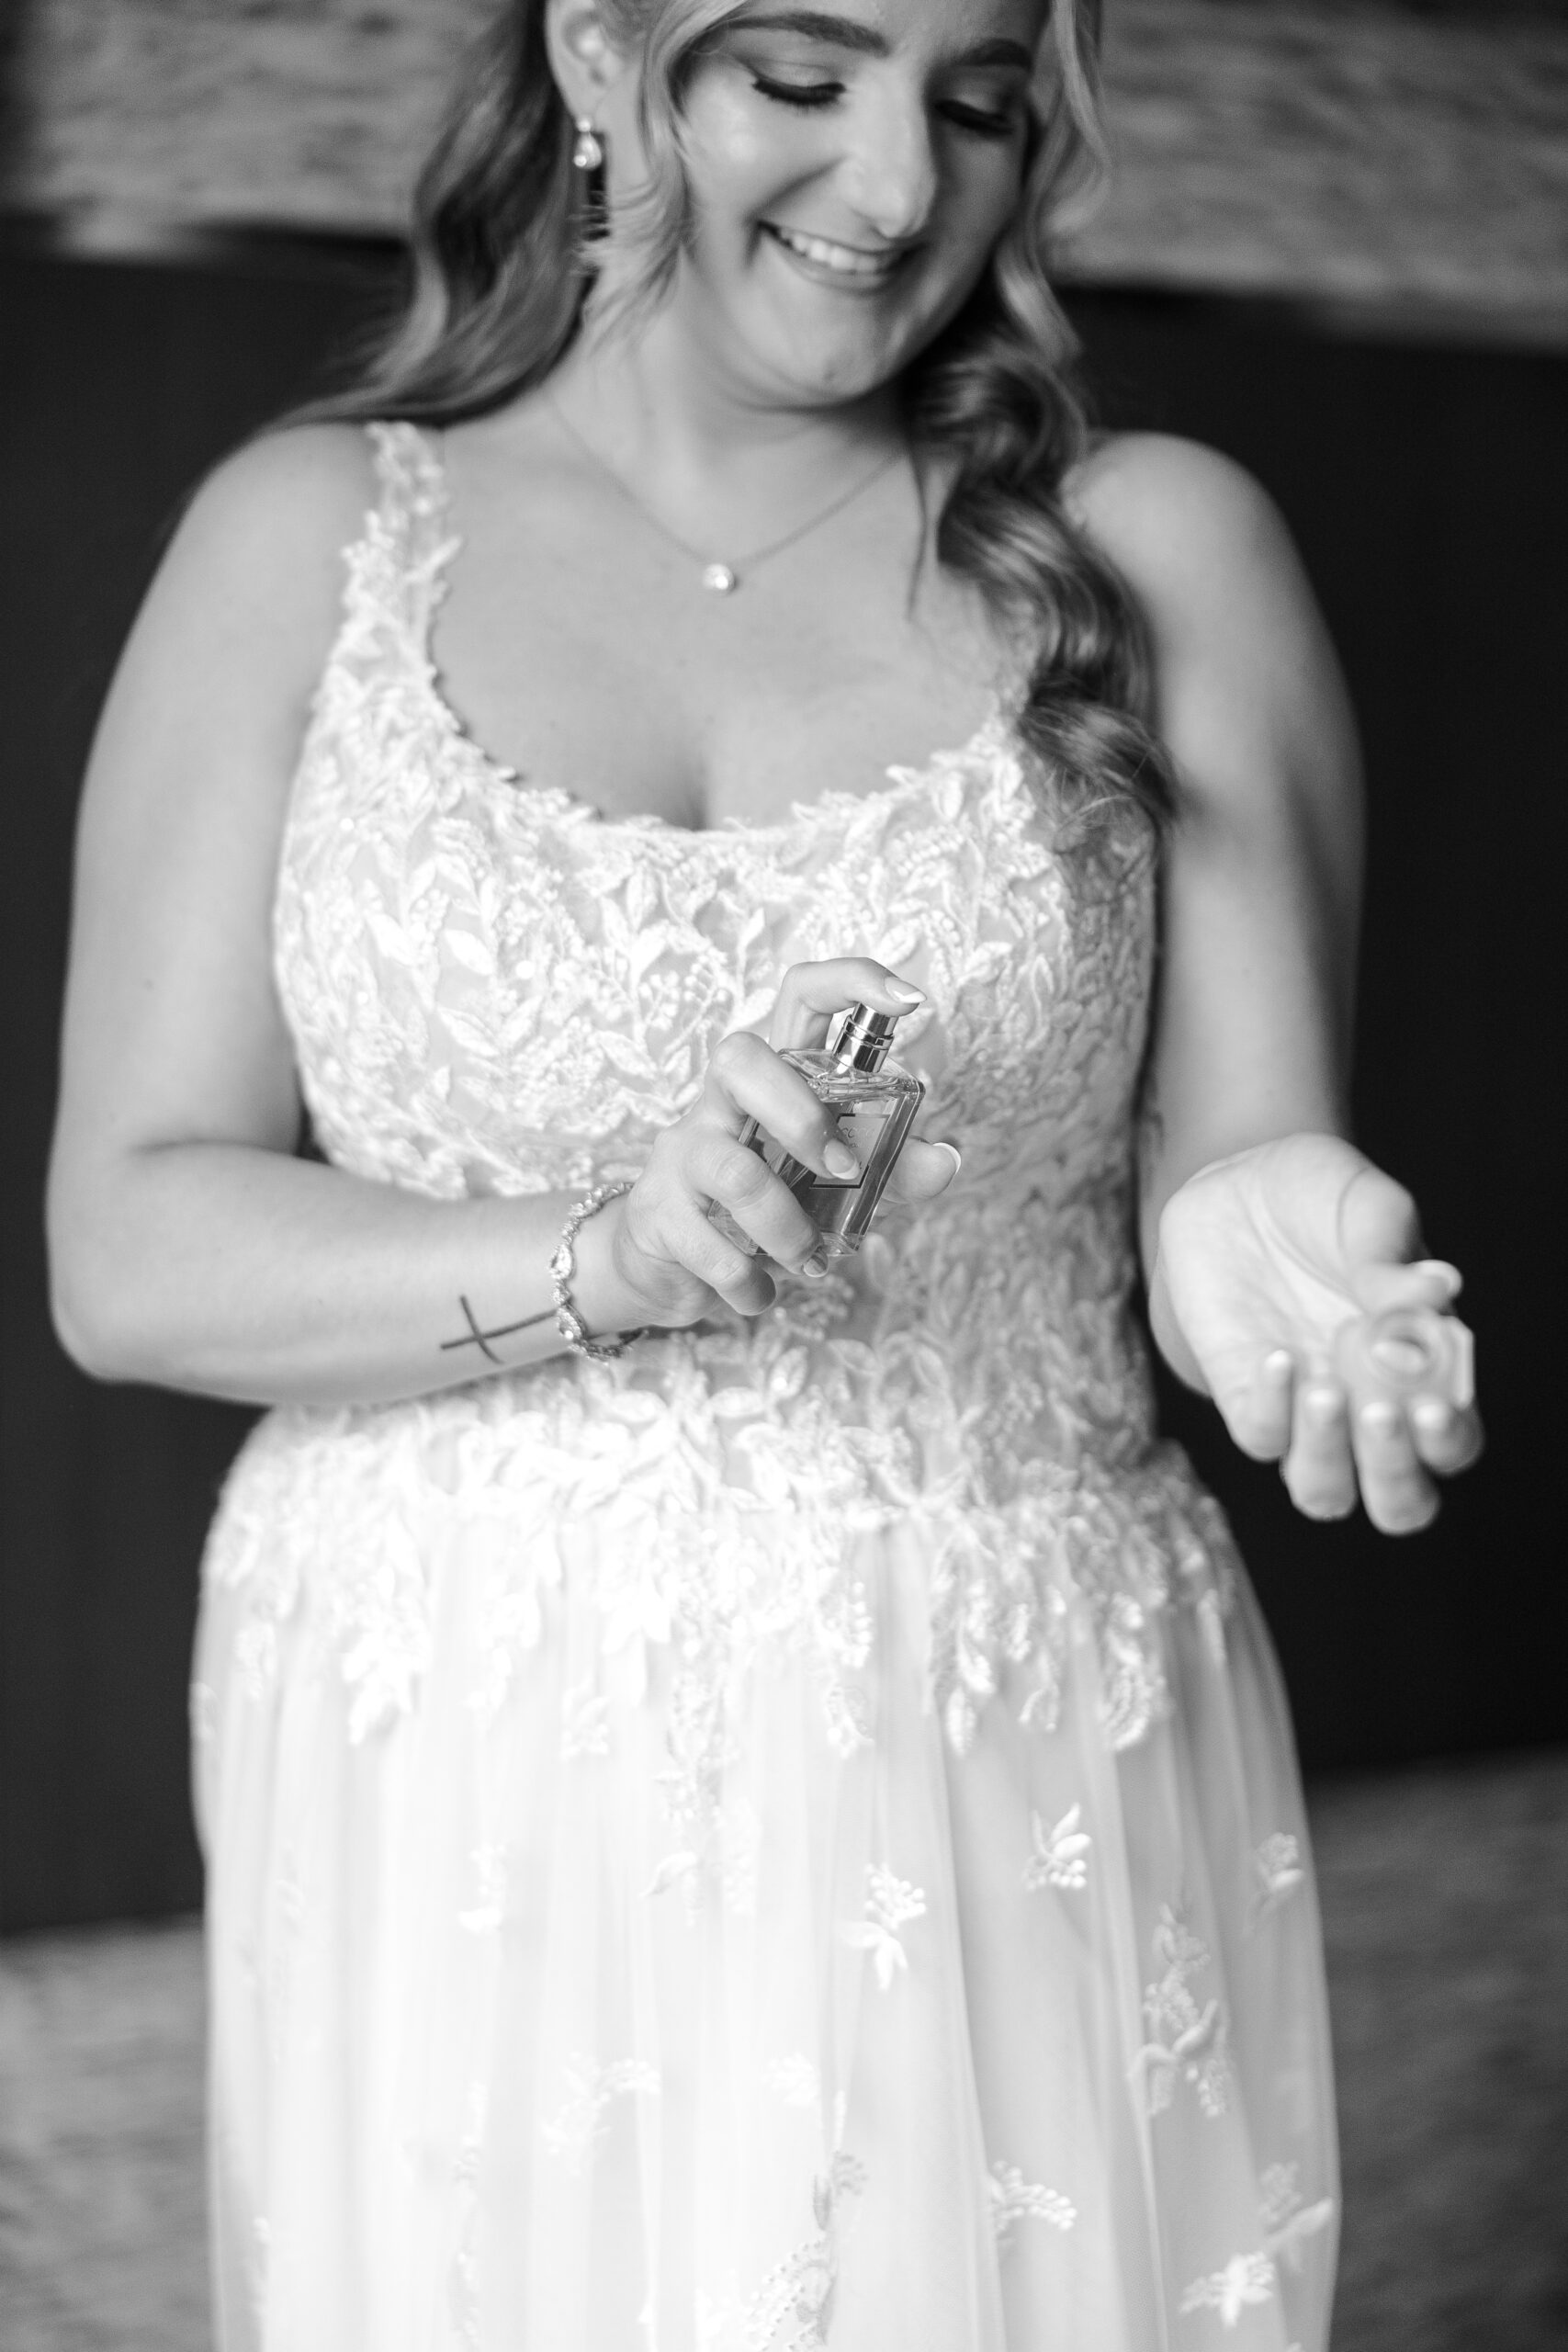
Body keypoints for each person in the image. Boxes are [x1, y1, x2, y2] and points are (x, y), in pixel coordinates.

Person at [46, 0, 1482, 2342]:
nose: (901, 187)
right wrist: (601, 1256)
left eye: (983, 100)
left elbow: (1241, 1136)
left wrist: (1279, 1245)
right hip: (452, 1745)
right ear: (605, 57)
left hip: (981, 1722)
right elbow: (125, 1240)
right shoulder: (305, 539)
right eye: (802, 79)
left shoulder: (1156, 549)